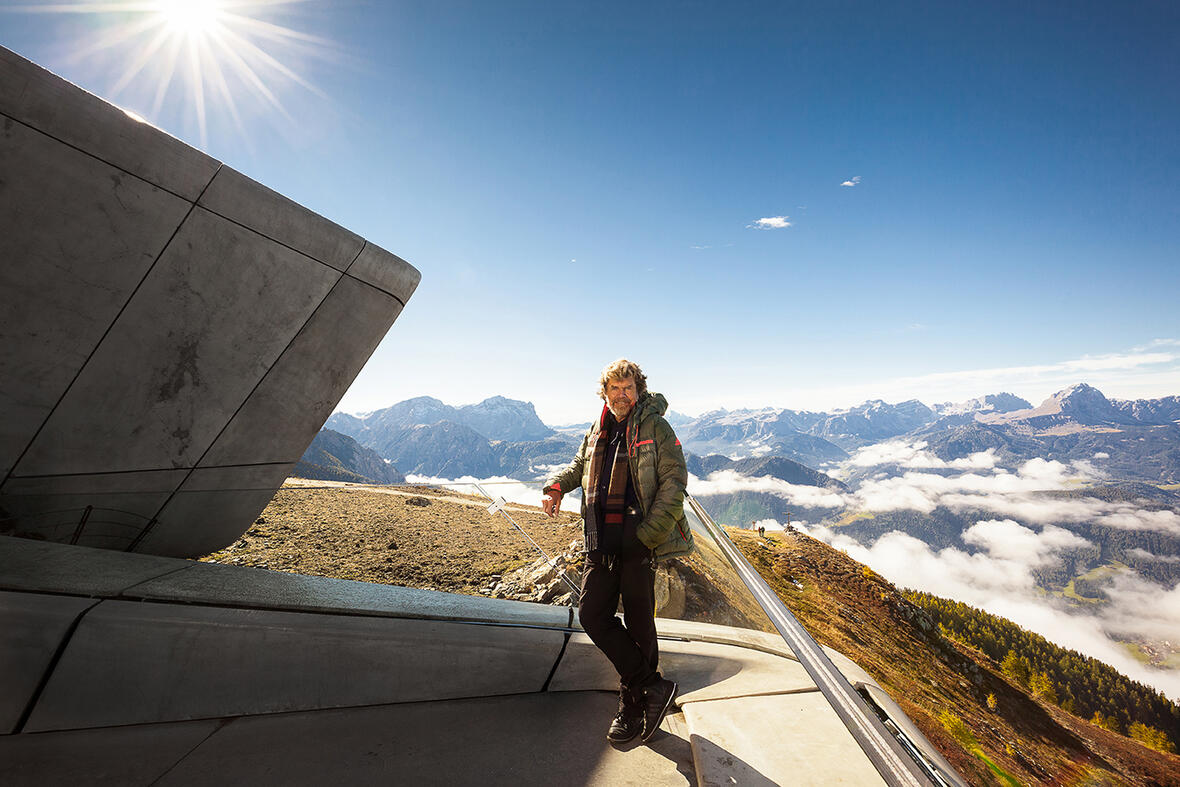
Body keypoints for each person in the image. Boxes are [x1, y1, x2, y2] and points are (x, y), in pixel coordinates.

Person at [542, 358, 694, 745]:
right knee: (593, 615)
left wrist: (648, 534)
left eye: (628, 388)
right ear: (605, 392)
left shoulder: (655, 426)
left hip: (639, 540)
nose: (622, 395)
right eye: (615, 388)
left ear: (638, 390)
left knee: (640, 623)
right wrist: (557, 485)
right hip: (601, 539)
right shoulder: (598, 427)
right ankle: (651, 686)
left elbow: (675, 482)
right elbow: (581, 464)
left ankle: (633, 705)